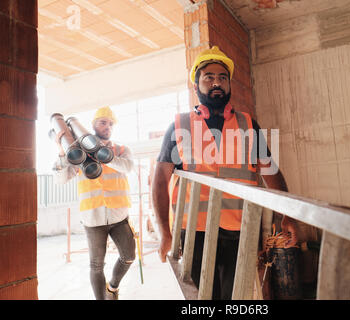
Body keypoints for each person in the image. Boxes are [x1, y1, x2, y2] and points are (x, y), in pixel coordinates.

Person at [152, 46, 299, 299]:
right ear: (197, 85)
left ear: (229, 85)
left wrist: (288, 216)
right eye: (208, 77)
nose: (216, 82)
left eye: (222, 77)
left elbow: (270, 171)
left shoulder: (247, 124)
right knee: (202, 297)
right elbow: (160, 180)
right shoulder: (179, 125)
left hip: (239, 229)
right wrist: (165, 231)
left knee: (234, 297)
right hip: (193, 230)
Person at [53, 107, 135, 300]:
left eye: (111, 124)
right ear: (92, 126)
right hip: (93, 219)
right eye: (103, 122)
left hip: (118, 216)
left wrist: (102, 154)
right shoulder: (79, 153)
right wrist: (61, 152)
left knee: (129, 256)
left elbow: (128, 166)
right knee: (96, 266)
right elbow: (60, 179)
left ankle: (112, 288)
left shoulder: (122, 150)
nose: (107, 127)